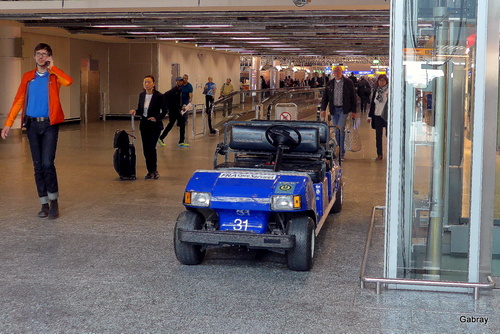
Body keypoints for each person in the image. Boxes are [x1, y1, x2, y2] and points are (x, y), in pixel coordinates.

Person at [1, 43, 73, 219]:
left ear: (49, 57)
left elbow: (68, 81)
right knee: (38, 165)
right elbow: (18, 101)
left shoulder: (54, 76)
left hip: (50, 125)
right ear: (34, 57)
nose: (41, 57)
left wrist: (53, 67)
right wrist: (8, 123)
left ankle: (54, 201)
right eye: (38, 54)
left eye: (45, 54)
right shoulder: (28, 77)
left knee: (48, 163)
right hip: (32, 125)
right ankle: (43, 203)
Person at [129, 75, 167, 179]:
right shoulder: (142, 95)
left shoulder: (159, 96)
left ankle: (154, 169)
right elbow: (140, 110)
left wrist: (156, 118)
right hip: (144, 125)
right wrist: (135, 111)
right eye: (145, 82)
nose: (147, 84)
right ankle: (150, 171)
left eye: (149, 82)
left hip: (155, 125)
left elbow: (164, 111)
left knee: (151, 147)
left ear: (153, 84)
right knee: (146, 149)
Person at [320, 65, 357, 160]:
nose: (337, 72)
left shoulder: (348, 82)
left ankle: (341, 153)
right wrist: (323, 109)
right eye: (335, 71)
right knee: (336, 131)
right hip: (334, 110)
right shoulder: (330, 84)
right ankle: (338, 150)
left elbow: (353, 97)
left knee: (339, 129)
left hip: (344, 110)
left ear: (342, 72)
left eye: (338, 70)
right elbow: (325, 97)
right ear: (333, 73)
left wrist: (354, 111)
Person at [159, 77, 189, 147]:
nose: (181, 82)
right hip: (172, 110)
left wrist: (182, 106)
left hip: (176, 109)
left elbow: (178, 100)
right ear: (176, 82)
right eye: (179, 81)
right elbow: (172, 102)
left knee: (180, 123)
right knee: (173, 124)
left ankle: (181, 141)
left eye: (182, 81)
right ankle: (161, 138)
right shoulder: (173, 91)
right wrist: (180, 107)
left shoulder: (180, 90)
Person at [367, 74, 389, 161]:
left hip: (387, 115)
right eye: (380, 80)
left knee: (389, 135)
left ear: (386, 81)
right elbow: (372, 104)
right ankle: (379, 154)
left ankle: (390, 152)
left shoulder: (390, 91)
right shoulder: (375, 91)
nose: (381, 82)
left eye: (383, 80)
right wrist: (369, 116)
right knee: (378, 135)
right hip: (377, 115)